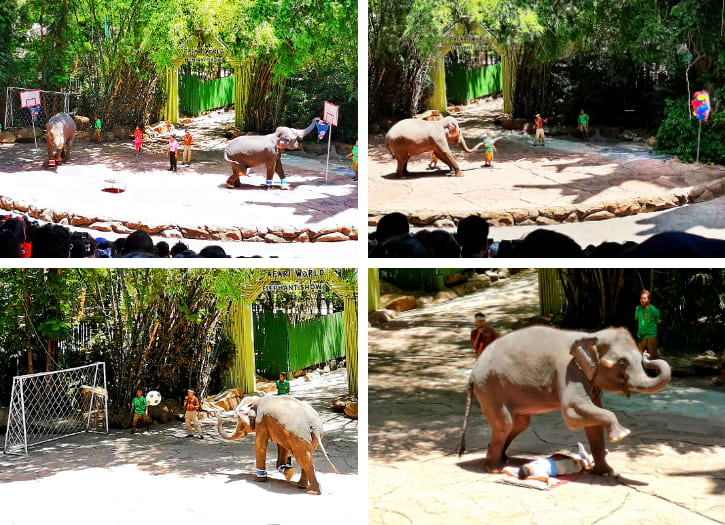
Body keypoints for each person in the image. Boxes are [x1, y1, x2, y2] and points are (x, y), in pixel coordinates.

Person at [517, 443, 593, 481]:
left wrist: (520, 476)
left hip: (551, 460)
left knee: (561, 456)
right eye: (526, 466)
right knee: (578, 466)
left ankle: (582, 456)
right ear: (529, 470)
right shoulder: (536, 473)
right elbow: (545, 478)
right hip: (557, 467)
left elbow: (505, 469)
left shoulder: (523, 470)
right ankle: (586, 460)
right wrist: (529, 478)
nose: (527, 464)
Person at [635, 290, 662, 360]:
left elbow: (659, 321)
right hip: (641, 335)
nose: (642, 300)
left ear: (649, 299)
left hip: (651, 335)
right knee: (640, 355)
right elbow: (637, 319)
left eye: (644, 298)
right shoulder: (638, 309)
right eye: (641, 298)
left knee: (653, 356)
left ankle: (656, 370)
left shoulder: (654, 310)